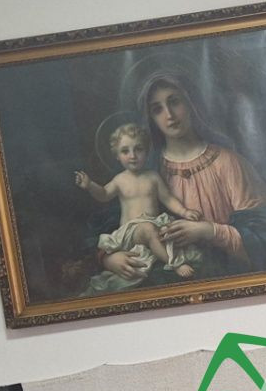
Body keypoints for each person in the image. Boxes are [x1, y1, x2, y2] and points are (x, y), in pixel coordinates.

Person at [98, 71, 266, 282]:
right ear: (151, 118)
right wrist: (108, 258)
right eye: (157, 109)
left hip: (226, 278)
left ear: (191, 103)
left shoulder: (228, 163)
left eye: (174, 102)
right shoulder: (146, 170)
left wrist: (208, 231)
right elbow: (115, 229)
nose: (169, 115)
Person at [78, 123, 202, 290]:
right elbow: (104, 194)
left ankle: (163, 252)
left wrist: (184, 211)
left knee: (168, 232)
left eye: (138, 149)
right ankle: (175, 263)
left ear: (147, 151)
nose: (133, 156)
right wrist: (89, 185)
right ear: (117, 156)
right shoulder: (120, 180)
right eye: (125, 151)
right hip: (130, 233)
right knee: (148, 229)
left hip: (154, 225)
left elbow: (168, 199)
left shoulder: (153, 177)